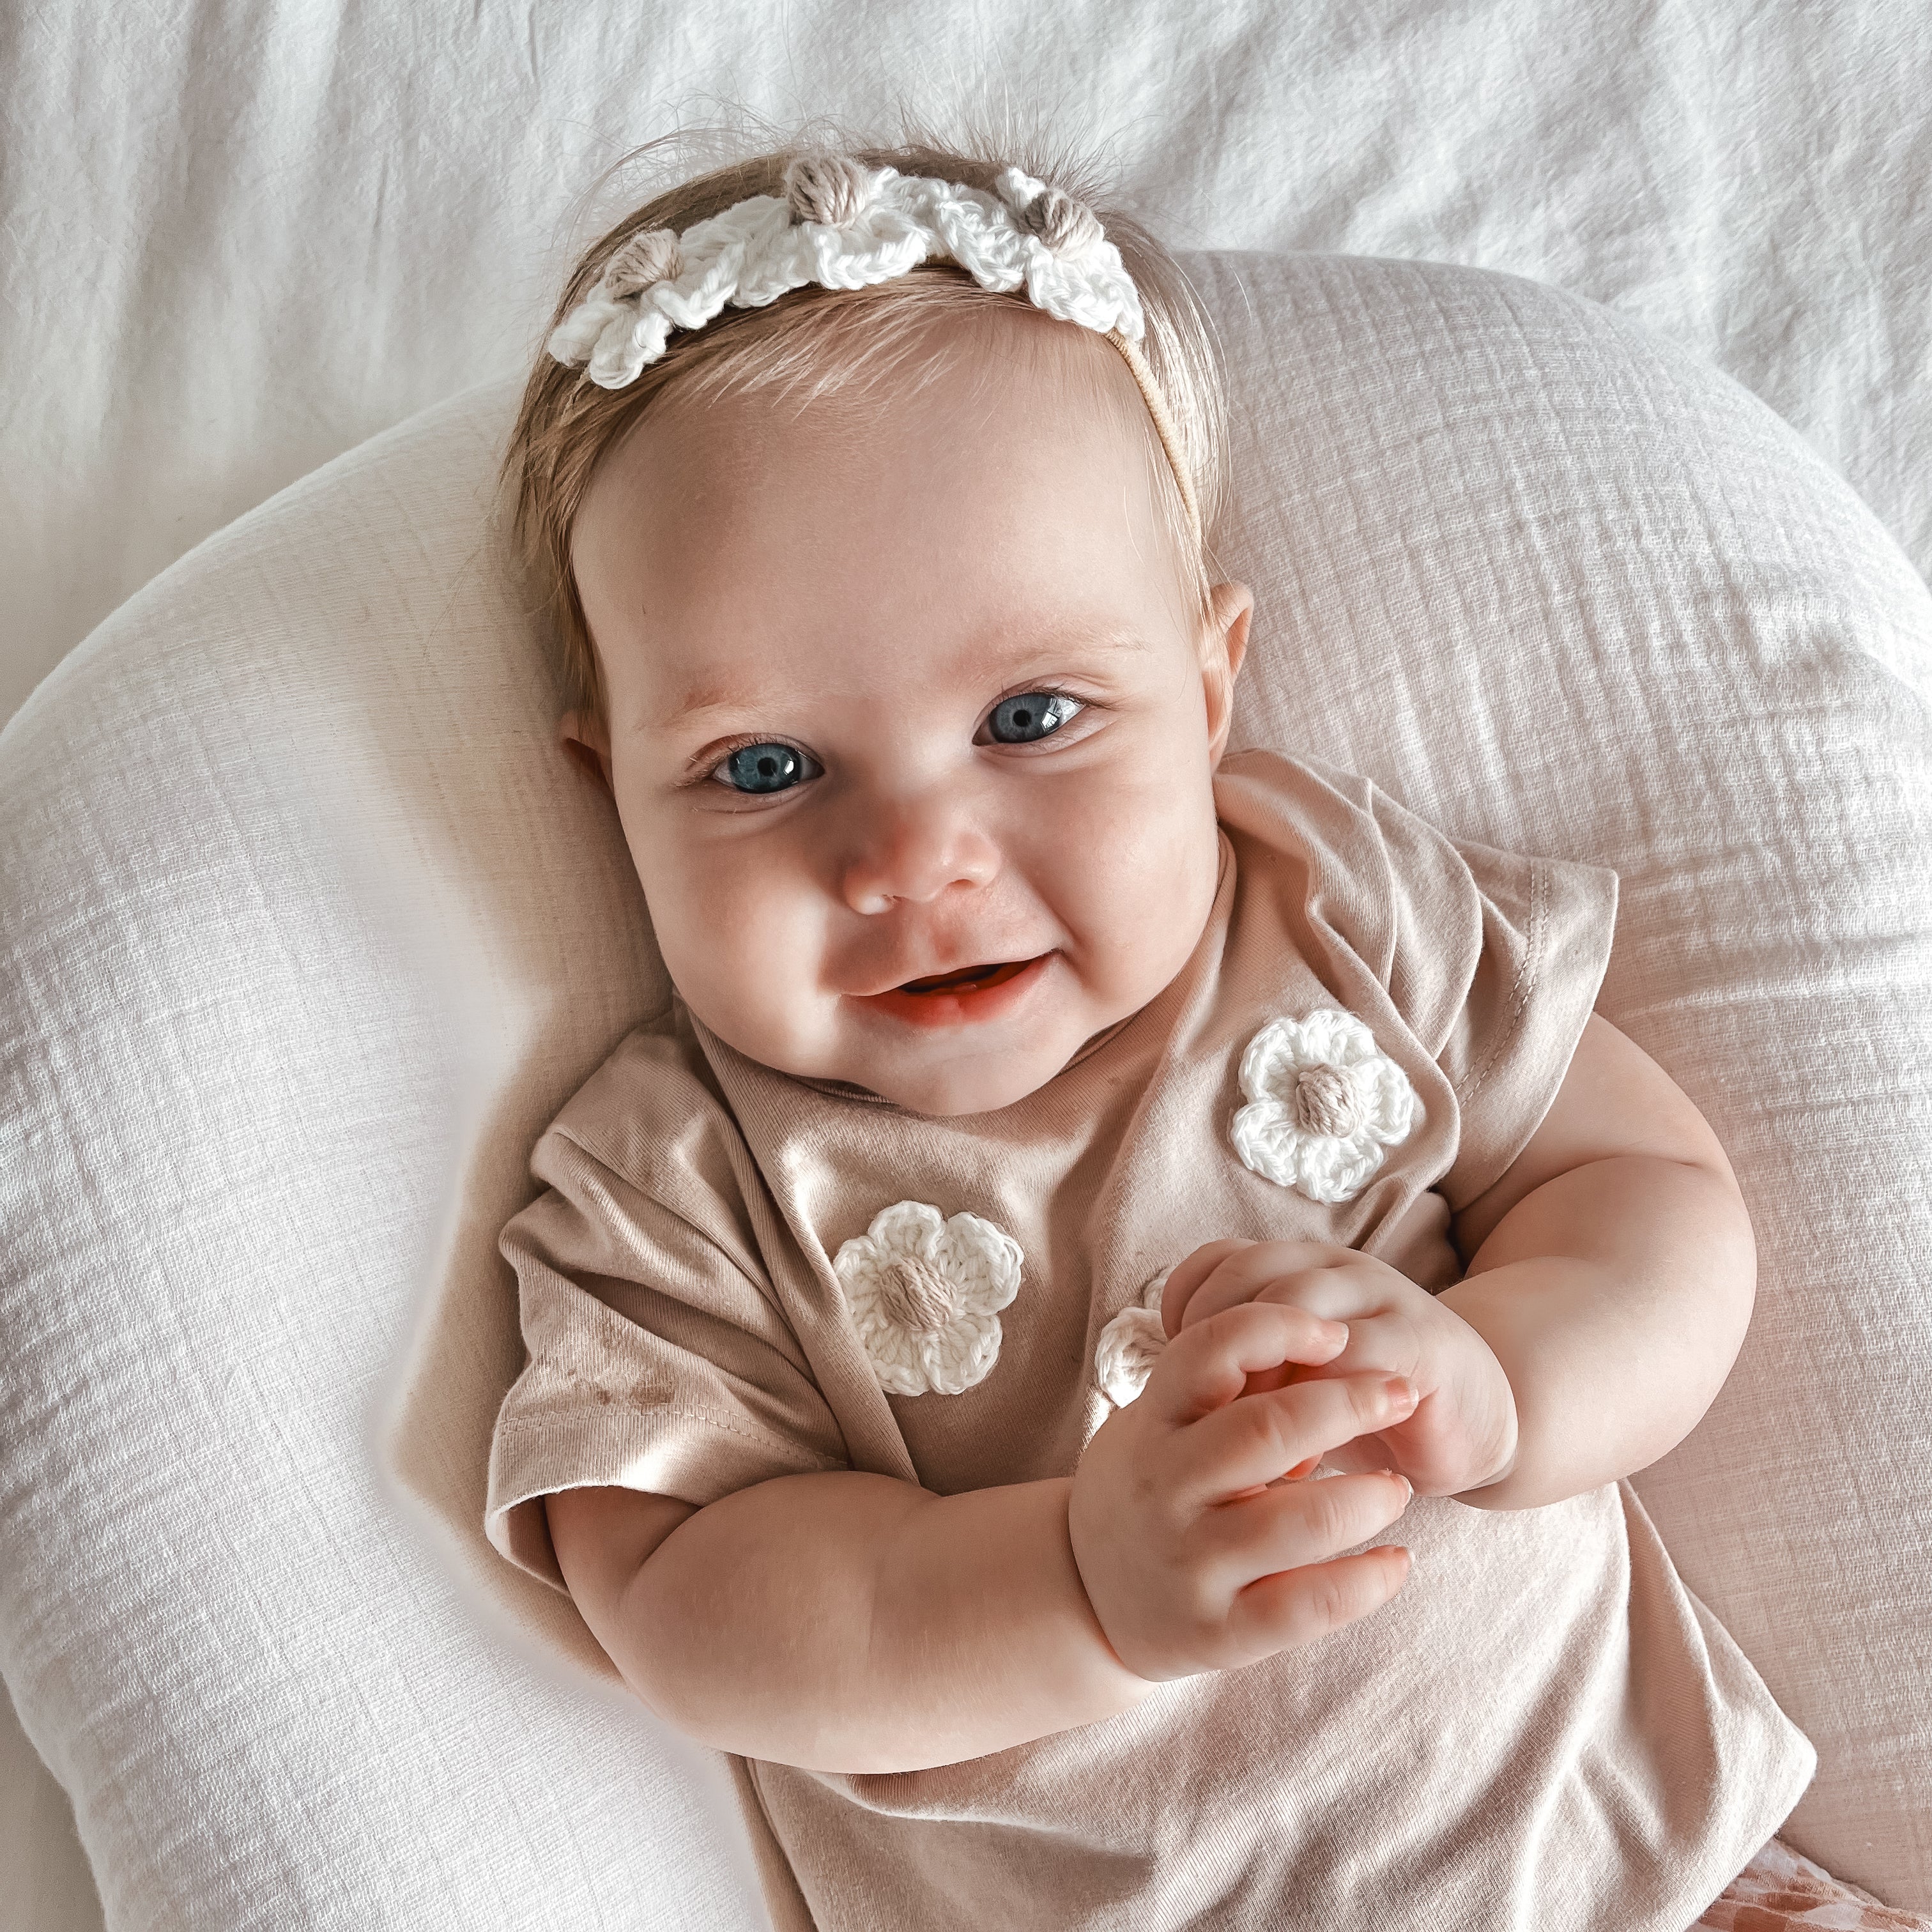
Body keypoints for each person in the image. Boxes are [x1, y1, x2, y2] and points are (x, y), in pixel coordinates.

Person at [480, 129, 1907, 1931]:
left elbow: (1645, 1187)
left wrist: (1508, 1377)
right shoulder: (667, 1183)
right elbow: (688, 1601)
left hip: (1661, 1883)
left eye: (1031, 716)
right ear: (613, 798)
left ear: (1212, 687)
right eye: (764, 768)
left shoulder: (1328, 907)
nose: (918, 859)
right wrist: (1072, 1580)